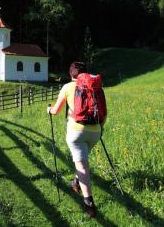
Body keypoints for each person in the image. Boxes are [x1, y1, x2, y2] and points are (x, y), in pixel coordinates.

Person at [47, 61, 106, 218]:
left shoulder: (67, 87)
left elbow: (56, 110)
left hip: (76, 132)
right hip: (95, 132)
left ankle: (89, 203)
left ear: (71, 74)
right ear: (85, 73)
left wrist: (49, 110)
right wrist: (100, 128)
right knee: (82, 160)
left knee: (82, 165)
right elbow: (103, 112)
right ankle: (76, 182)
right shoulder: (95, 87)